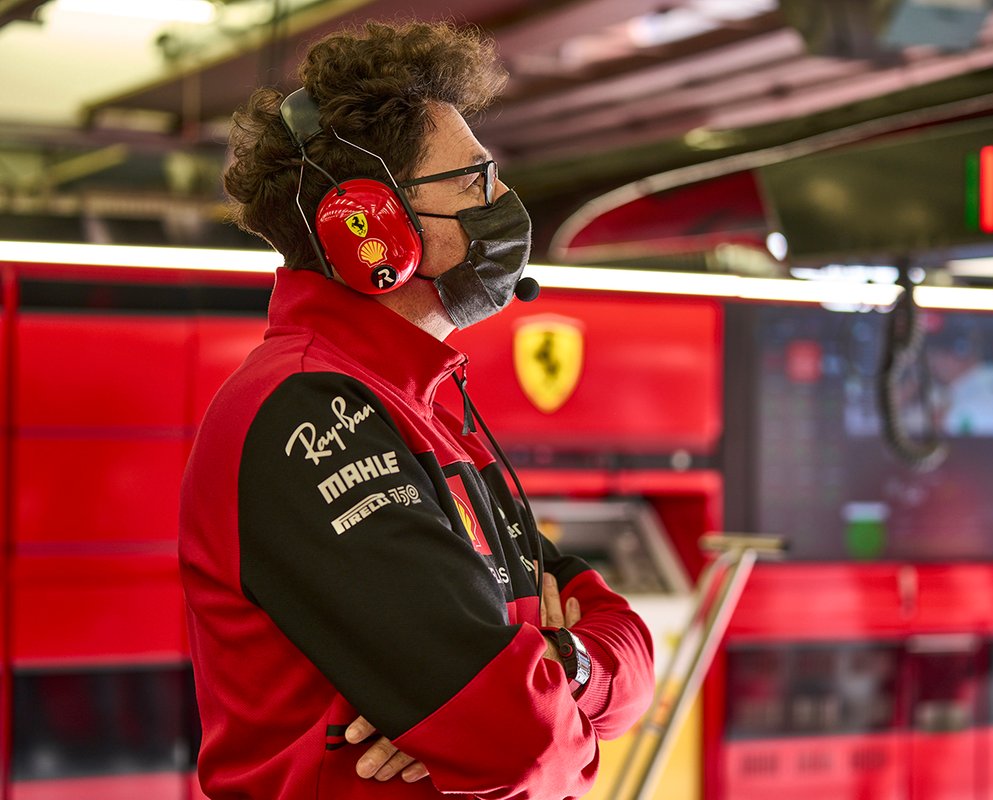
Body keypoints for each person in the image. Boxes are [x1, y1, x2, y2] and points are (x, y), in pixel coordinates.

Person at [179, 20, 655, 799]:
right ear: (370, 228)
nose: (504, 201)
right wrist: (533, 682)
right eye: (473, 180)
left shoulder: (432, 412)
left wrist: (557, 663)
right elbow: (518, 743)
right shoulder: (308, 412)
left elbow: (630, 655)